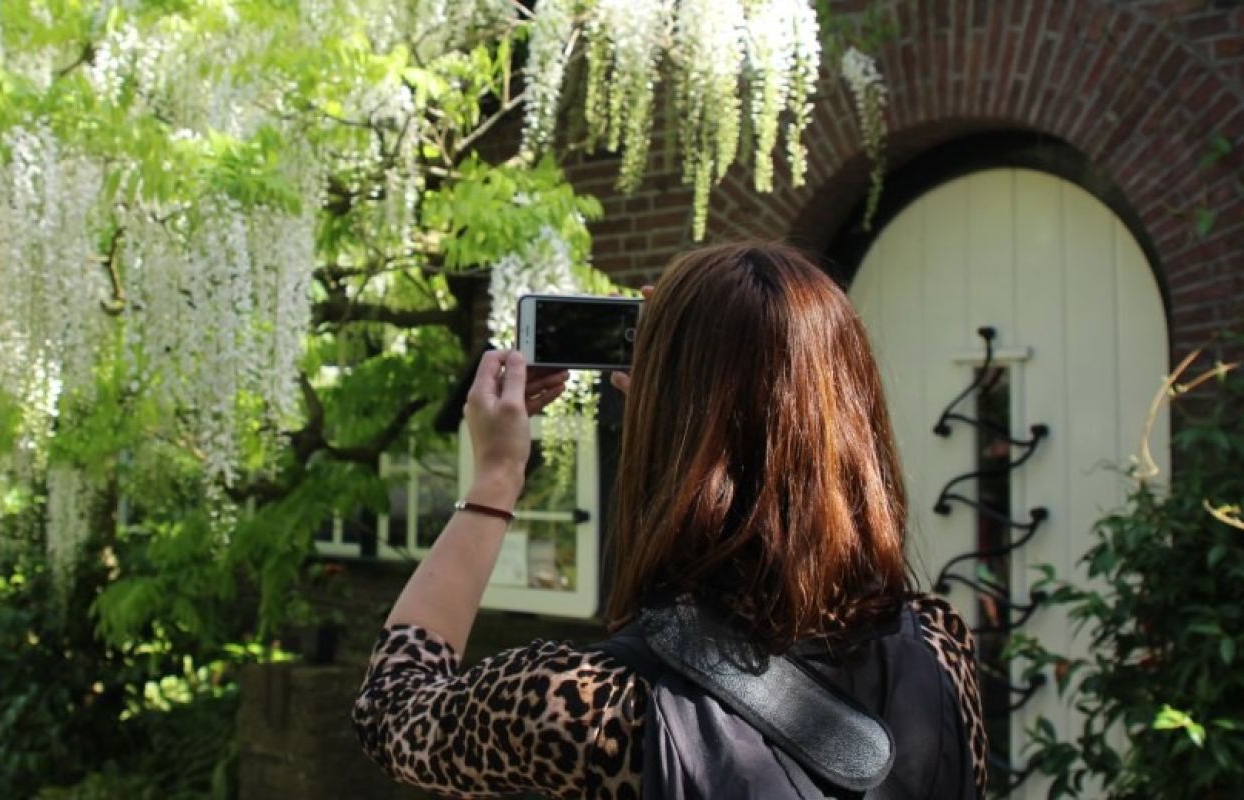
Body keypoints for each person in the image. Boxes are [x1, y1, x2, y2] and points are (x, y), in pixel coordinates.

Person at [352, 242, 985, 799]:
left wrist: (495, 477)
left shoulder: (590, 709)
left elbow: (394, 711)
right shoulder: (940, 648)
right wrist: (709, 385)